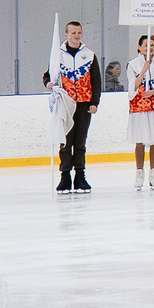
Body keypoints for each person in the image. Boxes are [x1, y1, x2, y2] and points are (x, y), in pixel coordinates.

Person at [51, 19, 102, 193]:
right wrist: (49, 84)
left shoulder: (89, 55)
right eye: (73, 32)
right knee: (65, 141)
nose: (76, 35)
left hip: (83, 104)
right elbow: (48, 75)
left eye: (79, 32)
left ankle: (80, 175)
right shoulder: (58, 55)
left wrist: (94, 102)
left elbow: (96, 80)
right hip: (65, 103)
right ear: (66, 34)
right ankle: (65, 175)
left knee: (80, 141)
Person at [126, 33, 154, 191]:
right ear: (139, 47)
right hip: (139, 107)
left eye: (152, 46)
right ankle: (139, 173)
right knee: (140, 140)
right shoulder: (132, 65)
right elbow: (133, 86)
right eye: (146, 46)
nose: (149, 48)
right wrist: (143, 70)